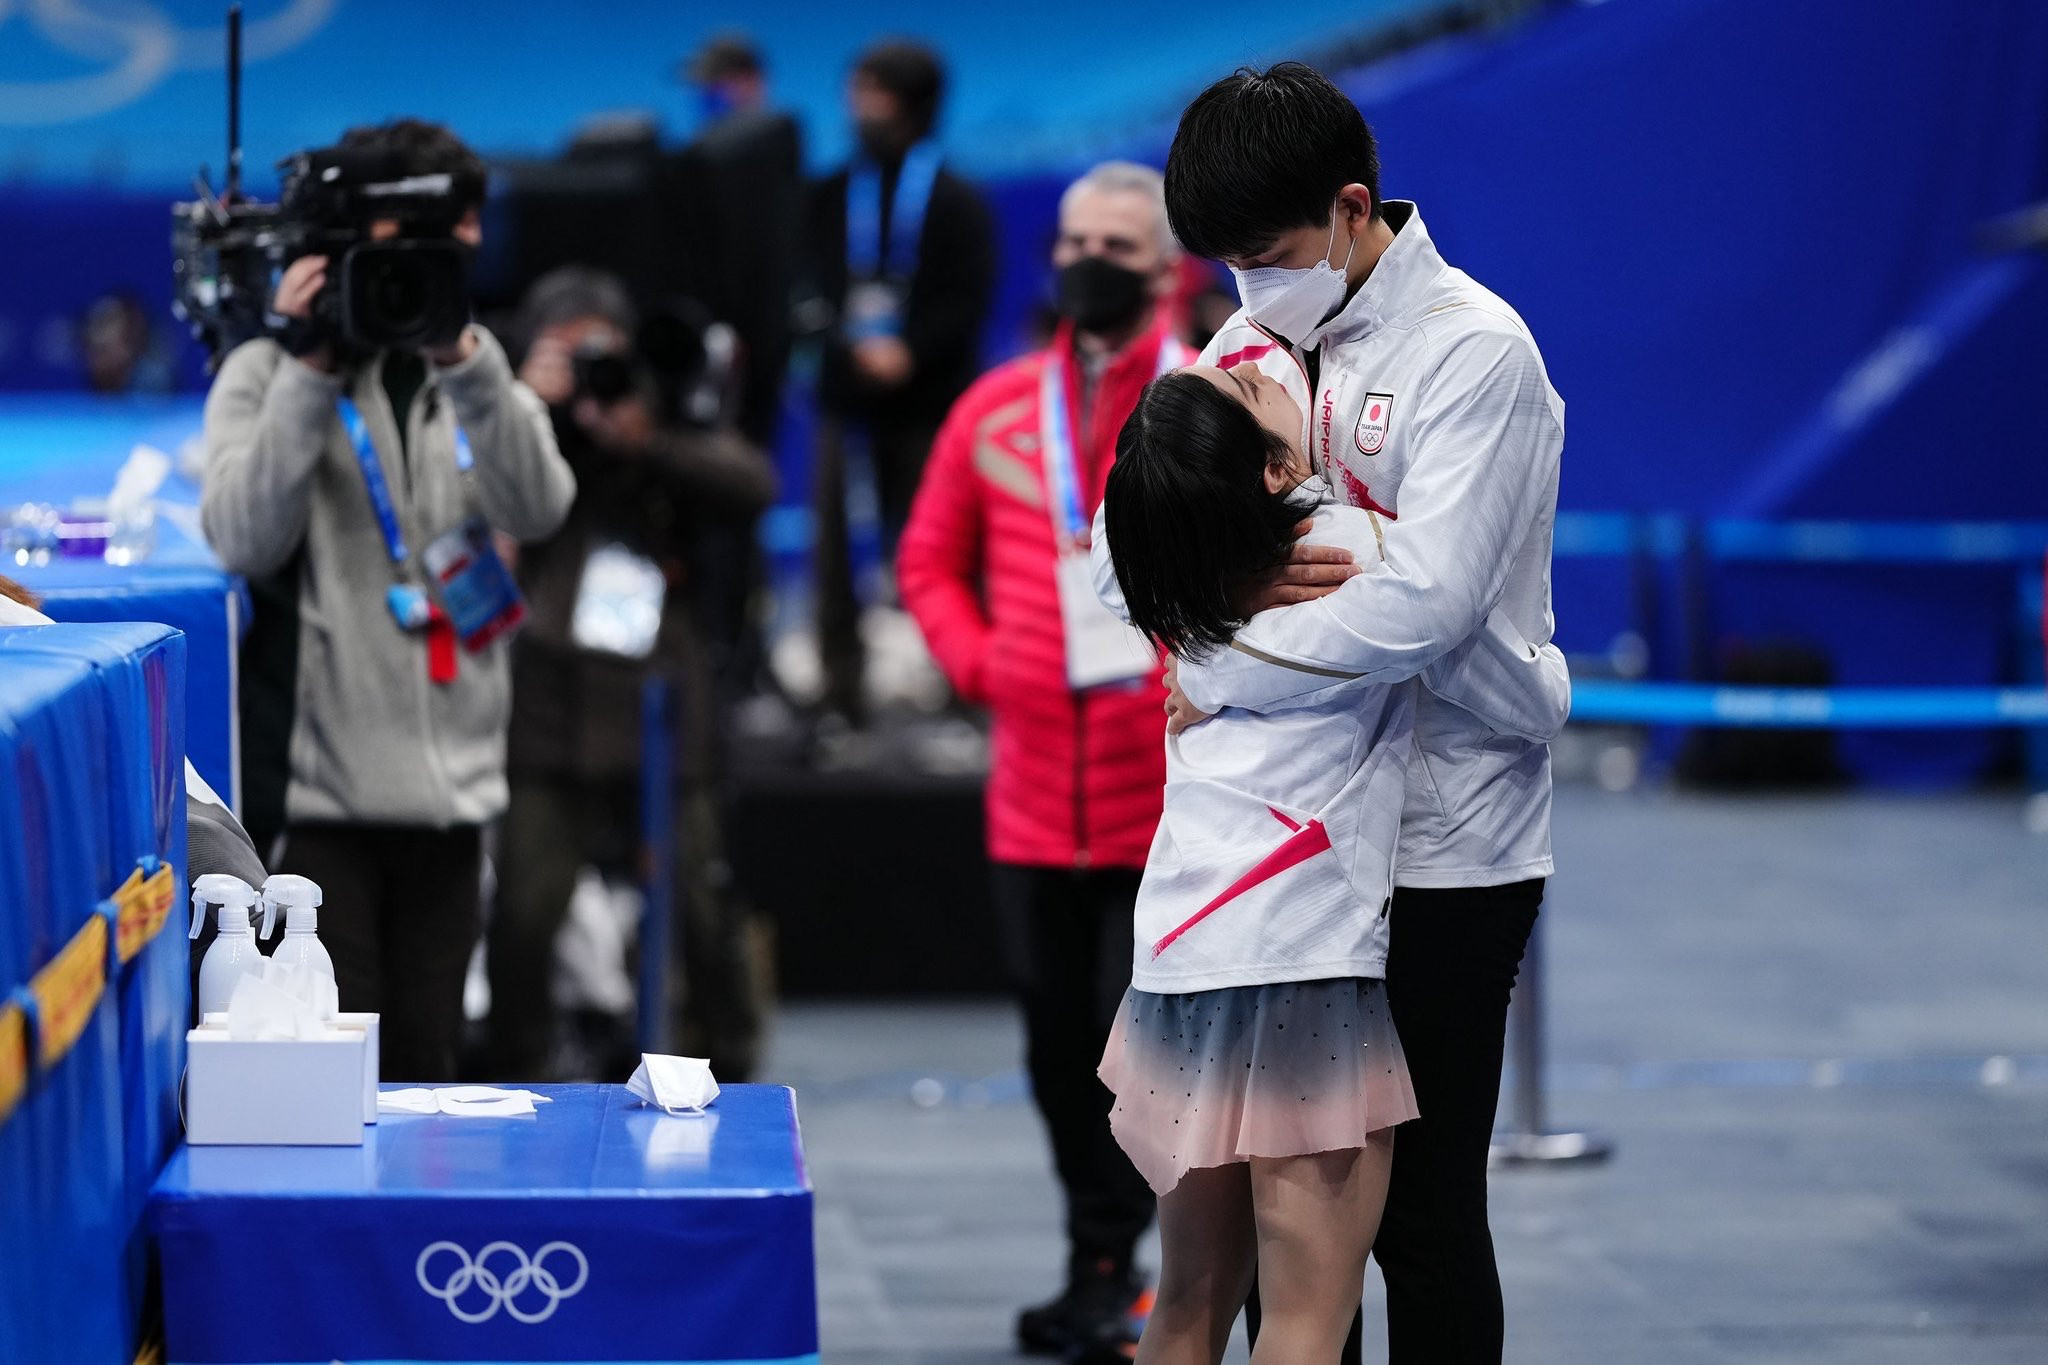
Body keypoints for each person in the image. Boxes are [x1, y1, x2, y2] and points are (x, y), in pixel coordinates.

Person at [1112, 63, 1571, 1365]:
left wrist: (1217, 649)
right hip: (1282, 856)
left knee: (1420, 1222)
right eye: (1228, 265)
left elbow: (1422, 611)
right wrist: (1259, 579)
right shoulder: (1243, 348)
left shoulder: (1475, 352)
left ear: (1352, 208)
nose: (1245, 288)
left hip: (1442, 846)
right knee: (1276, 1256)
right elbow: (1122, 555)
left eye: (1265, 255)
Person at [200, 119, 575, 1082]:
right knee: (338, 1075)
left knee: (426, 1065)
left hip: (455, 801)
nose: (463, 244)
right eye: (436, 230)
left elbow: (539, 506)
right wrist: (307, 369)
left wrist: (466, 358)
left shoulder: (471, 373)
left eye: (464, 229)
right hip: (318, 802)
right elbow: (242, 538)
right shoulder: (263, 374)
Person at [897, 161, 1187, 1357]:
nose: (1086, 262)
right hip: (1028, 802)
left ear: (1167, 269)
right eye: (1071, 241)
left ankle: (1172, 1273)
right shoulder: (995, 410)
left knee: (1147, 1063)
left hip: (1166, 805)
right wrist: (982, 664)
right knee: (1057, 1052)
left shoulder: (1208, 400)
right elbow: (926, 561)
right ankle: (1097, 1264)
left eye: (1115, 245)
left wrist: (1185, 677)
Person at [1096, 366, 1421, 1364]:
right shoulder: (1355, 550)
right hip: (1300, 962)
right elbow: (1451, 603)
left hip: (1178, 966)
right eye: (1242, 392)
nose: (1245, 364)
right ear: (1274, 470)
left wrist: (1206, 650)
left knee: (1186, 1303)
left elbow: (1114, 559)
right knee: (1307, 1319)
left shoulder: (1169, 580)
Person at [487, 266, 777, 1082]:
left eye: (599, 355)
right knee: (524, 911)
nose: (587, 376)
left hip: (663, 701)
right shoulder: (511, 422)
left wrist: (645, 437)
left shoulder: (660, 407)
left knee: (701, 905)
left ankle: (732, 1071)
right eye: (567, 357)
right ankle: (516, 1074)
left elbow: (751, 483)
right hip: (549, 705)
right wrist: (525, 409)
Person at [801, 39, 997, 728]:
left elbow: (968, 300)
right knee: (834, 553)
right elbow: (805, 290)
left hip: (931, 409)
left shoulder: (955, 200)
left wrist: (909, 351)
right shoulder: (827, 197)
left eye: (875, 93)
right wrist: (842, 344)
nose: (860, 108)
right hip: (847, 403)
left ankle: (965, 692)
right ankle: (839, 694)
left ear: (914, 105)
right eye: (857, 91)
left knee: (947, 549)